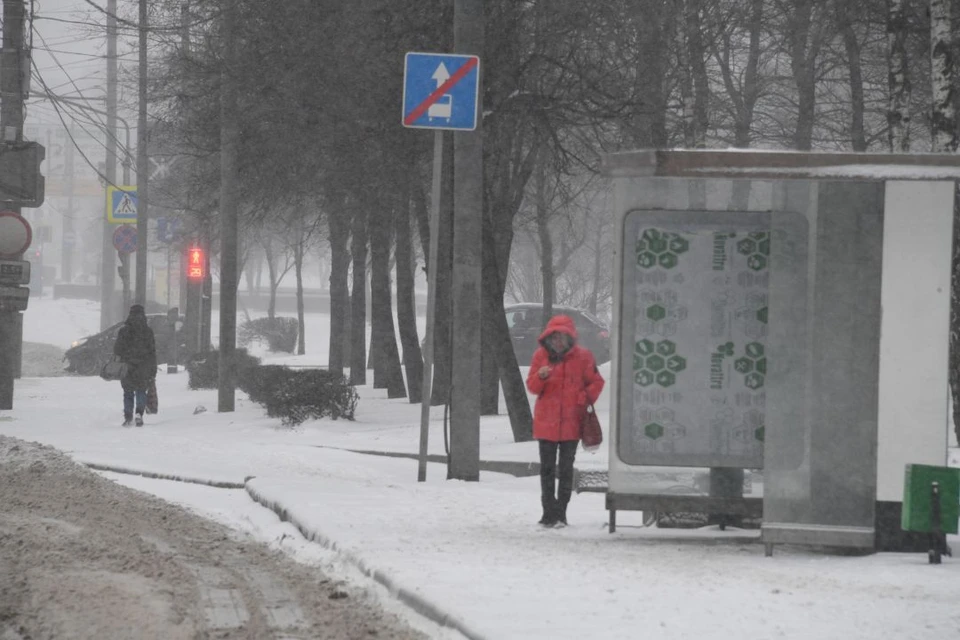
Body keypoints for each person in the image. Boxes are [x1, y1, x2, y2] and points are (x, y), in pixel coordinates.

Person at [526, 314, 604, 527]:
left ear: (570, 338)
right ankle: (548, 512)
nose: (558, 342)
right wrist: (540, 377)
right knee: (547, 469)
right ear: (548, 338)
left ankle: (561, 512)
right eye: (554, 337)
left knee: (566, 469)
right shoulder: (540, 356)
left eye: (562, 337)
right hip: (546, 423)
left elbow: (596, 382)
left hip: (571, 423)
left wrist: (583, 397)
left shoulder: (583, 357)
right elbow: (532, 387)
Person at [114, 304, 157, 427]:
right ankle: (139, 413)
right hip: (143, 366)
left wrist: (124, 355)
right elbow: (152, 351)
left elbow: (117, 349)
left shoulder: (124, 331)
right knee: (141, 390)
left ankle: (128, 416)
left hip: (127, 366)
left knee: (128, 392)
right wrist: (152, 369)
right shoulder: (148, 332)